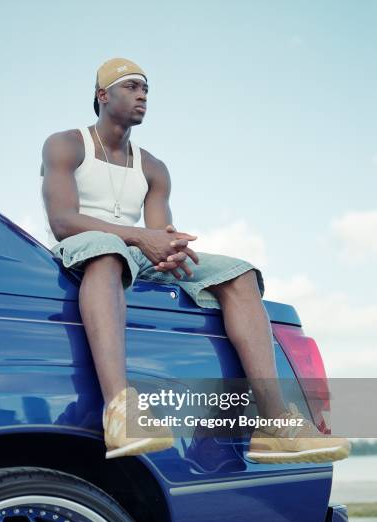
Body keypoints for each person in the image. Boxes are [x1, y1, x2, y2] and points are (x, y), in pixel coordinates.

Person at [40, 57, 350, 463]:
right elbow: (63, 221)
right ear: (103, 95)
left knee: (239, 273)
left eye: (146, 89)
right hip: (80, 247)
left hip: (133, 250)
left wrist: (171, 251)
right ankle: (120, 411)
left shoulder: (152, 167)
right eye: (131, 87)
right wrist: (141, 238)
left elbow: (159, 235)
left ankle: (275, 423)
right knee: (108, 252)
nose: (142, 96)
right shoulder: (65, 144)